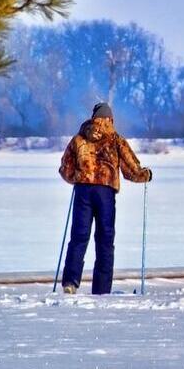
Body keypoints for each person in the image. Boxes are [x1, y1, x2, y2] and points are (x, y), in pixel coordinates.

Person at [58, 102, 152, 295]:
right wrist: (145, 175)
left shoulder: (79, 139)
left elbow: (65, 168)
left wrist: (77, 177)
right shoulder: (116, 139)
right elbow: (131, 169)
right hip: (105, 193)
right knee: (105, 240)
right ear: (110, 118)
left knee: (78, 236)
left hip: (83, 191)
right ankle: (101, 289)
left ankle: (70, 282)